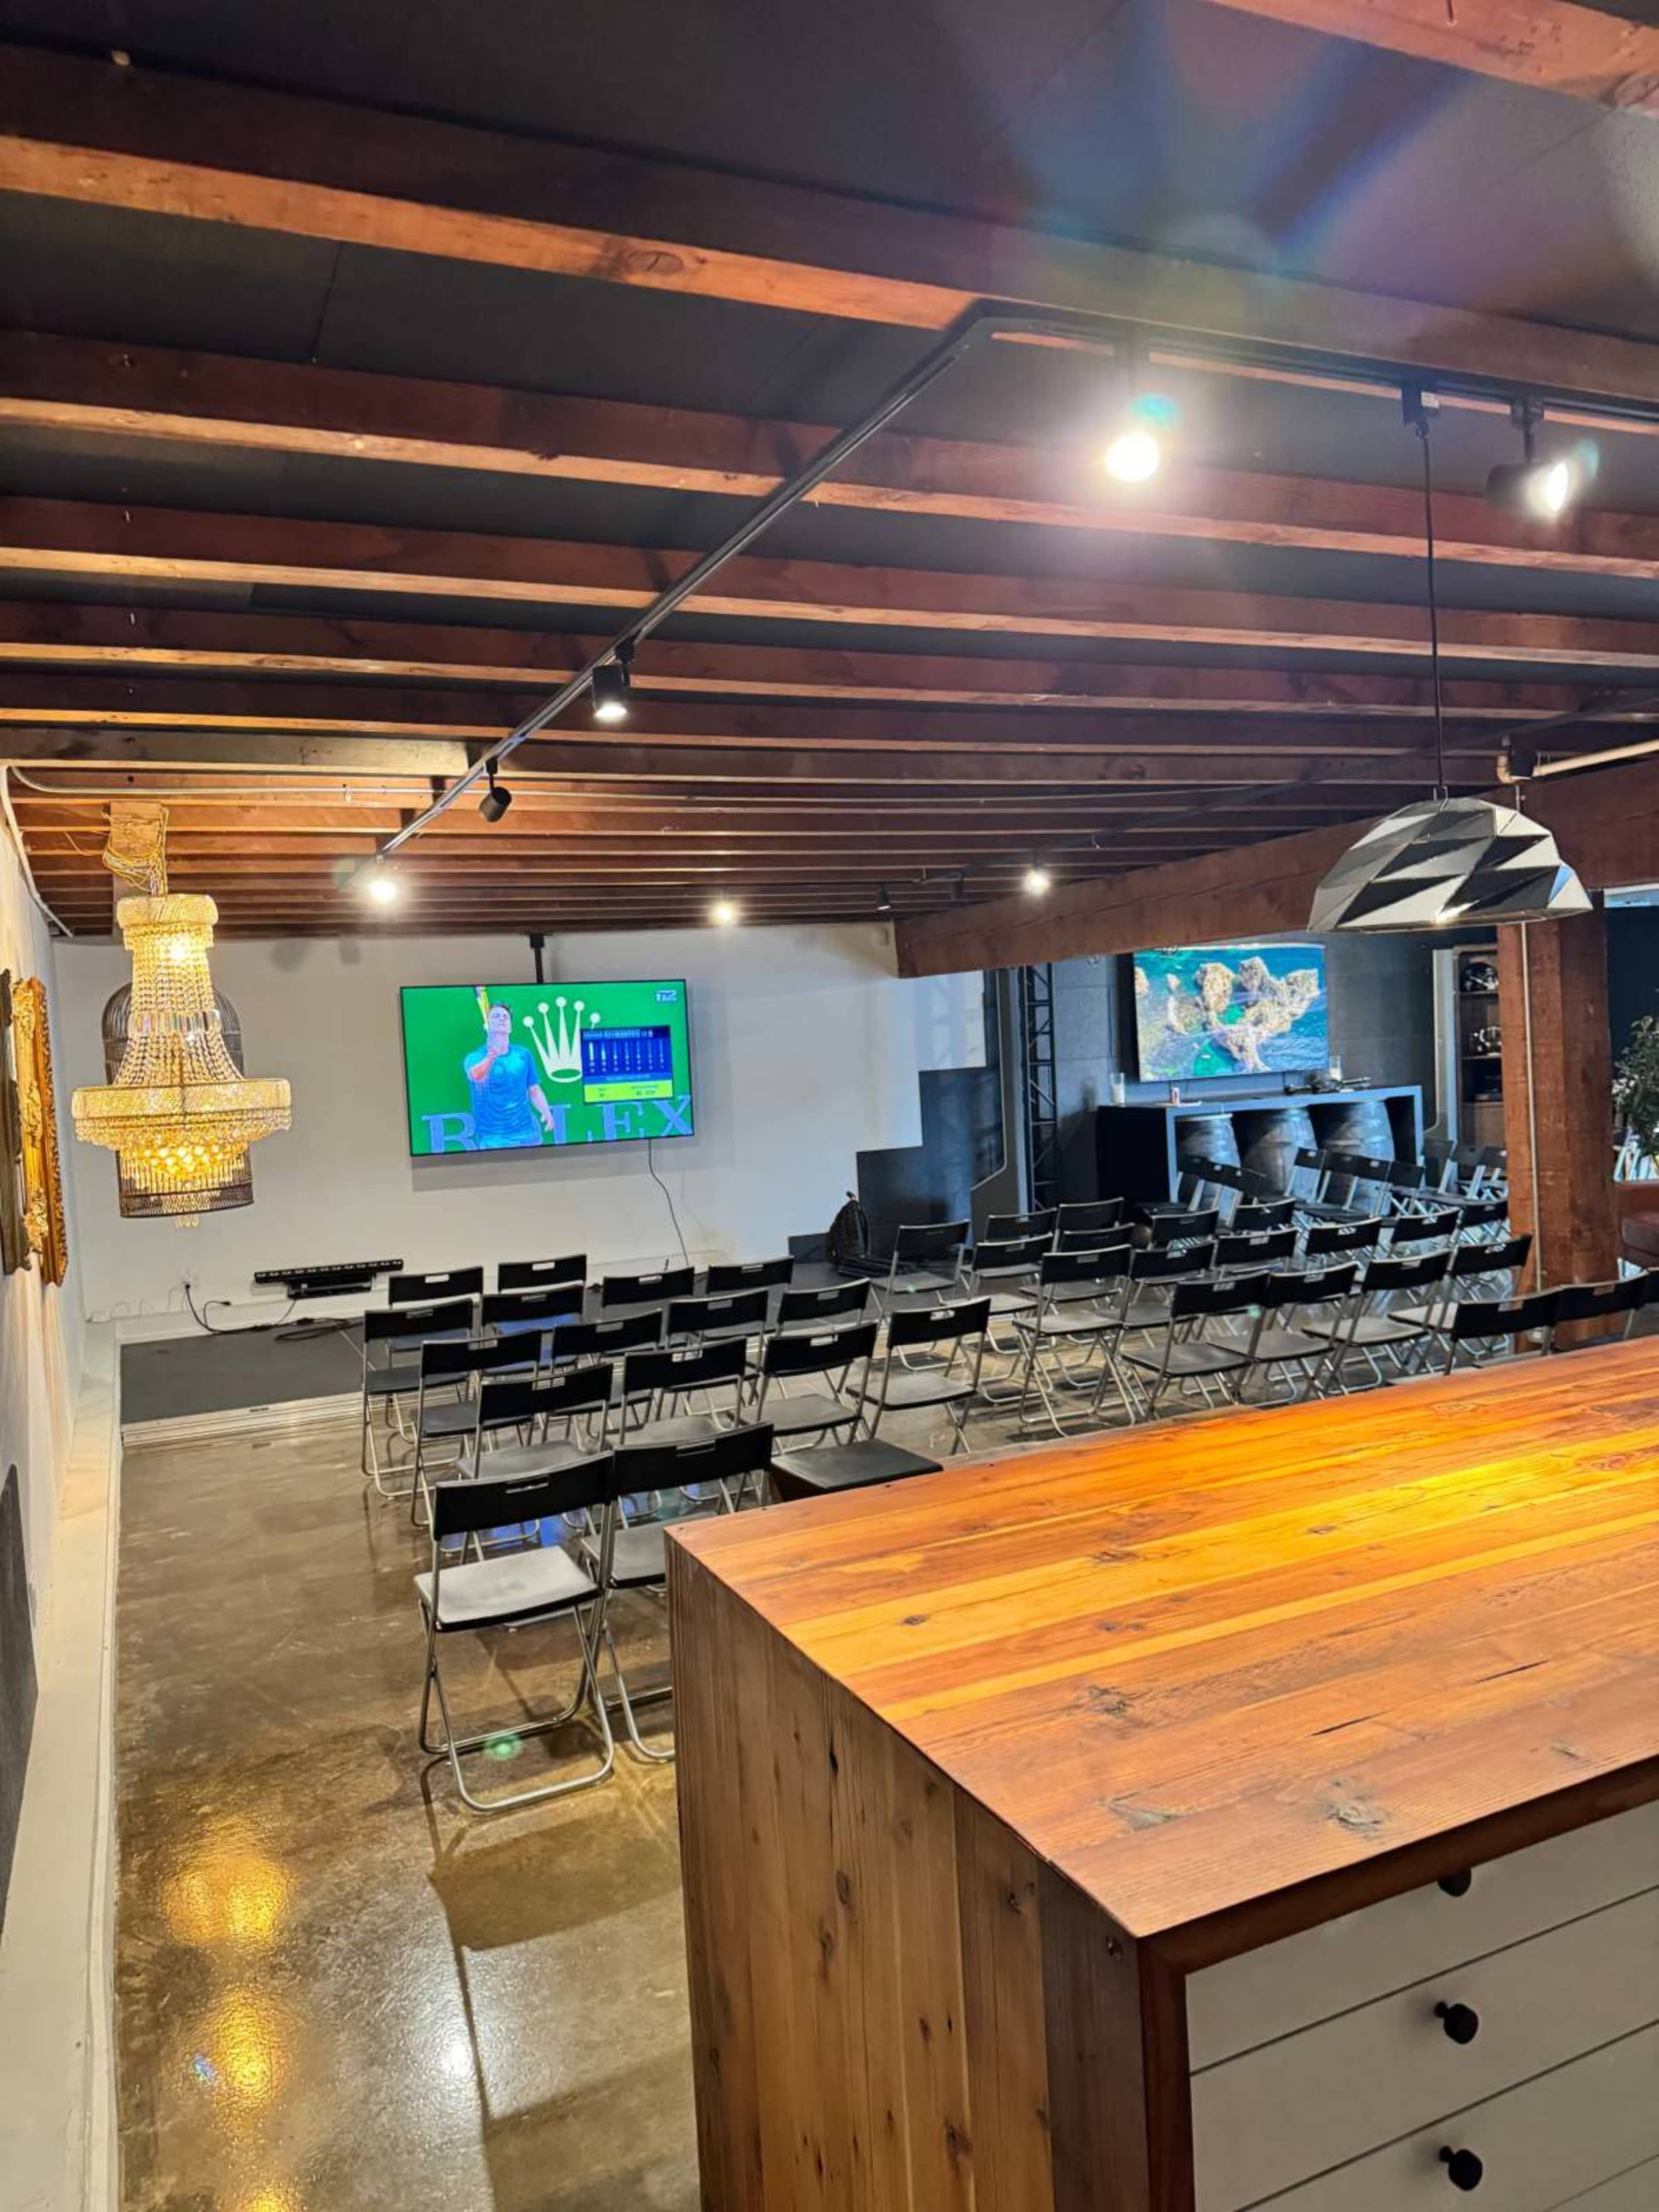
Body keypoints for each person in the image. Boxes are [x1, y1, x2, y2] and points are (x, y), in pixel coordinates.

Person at [464, 1000, 555, 1148]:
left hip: (529, 1136)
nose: (502, 1019)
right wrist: (490, 1059)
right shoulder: (475, 1057)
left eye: (506, 1017)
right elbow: (476, 1076)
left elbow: (534, 1090)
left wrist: (546, 1112)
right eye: (496, 1016)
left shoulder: (524, 1055)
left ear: (511, 1027)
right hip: (494, 1140)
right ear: (487, 1026)